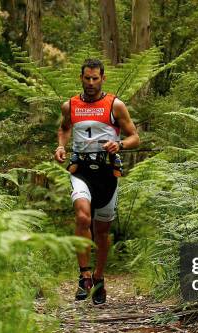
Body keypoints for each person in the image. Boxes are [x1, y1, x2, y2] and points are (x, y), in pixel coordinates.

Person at [54, 58, 140, 305]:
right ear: (81, 78)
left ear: (102, 78)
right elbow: (64, 128)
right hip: (81, 170)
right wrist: (61, 146)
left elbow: (135, 137)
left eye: (95, 78)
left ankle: (99, 279)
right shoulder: (70, 105)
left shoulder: (115, 105)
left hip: (107, 171)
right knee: (82, 217)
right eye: (87, 78)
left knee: (102, 232)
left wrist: (120, 144)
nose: (91, 83)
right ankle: (84, 275)